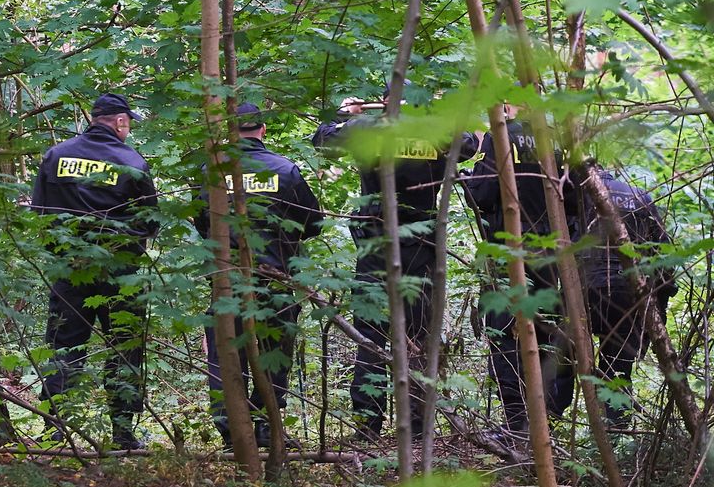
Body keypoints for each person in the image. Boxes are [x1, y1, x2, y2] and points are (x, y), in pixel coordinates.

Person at [313, 84, 478, 441]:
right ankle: (418, 425)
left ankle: (369, 424)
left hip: (377, 242)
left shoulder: (368, 128)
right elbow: (470, 143)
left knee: (371, 334)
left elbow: (322, 139)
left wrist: (346, 114)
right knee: (418, 333)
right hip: (420, 242)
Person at [31, 92, 159, 449]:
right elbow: (150, 221)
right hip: (122, 272)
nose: (129, 128)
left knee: (64, 346)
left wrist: (63, 252)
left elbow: (40, 212)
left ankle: (55, 429)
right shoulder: (131, 161)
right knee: (125, 347)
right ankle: (123, 432)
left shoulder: (56, 155)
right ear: (119, 122)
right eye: (128, 122)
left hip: (70, 269)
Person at [196, 103, 324, 449]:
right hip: (277, 278)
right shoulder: (285, 170)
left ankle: (231, 427)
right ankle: (267, 425)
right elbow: (313, 223)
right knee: (274, 353)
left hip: (227, 278)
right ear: (262, 130)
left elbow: (200, 222)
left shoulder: (212, 171)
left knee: (226, 355)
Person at [461, 100, 575, 440]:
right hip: (549, 253)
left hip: (508, 252)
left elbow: (482, 194)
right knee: (546, 335)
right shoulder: (555, 140)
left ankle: (515, 424)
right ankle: (547, 419)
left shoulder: (504, 138)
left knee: (505, 334)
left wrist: (469, 179)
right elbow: (573, 194)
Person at [550, 163, 675, 428]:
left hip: (584, 291)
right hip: (628, 292)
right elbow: (664, 256)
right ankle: (617, 434)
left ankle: (547, 423)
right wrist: (657, 303)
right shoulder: (641, 196)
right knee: (617, 370)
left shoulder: (575, 196)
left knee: (560, 357)